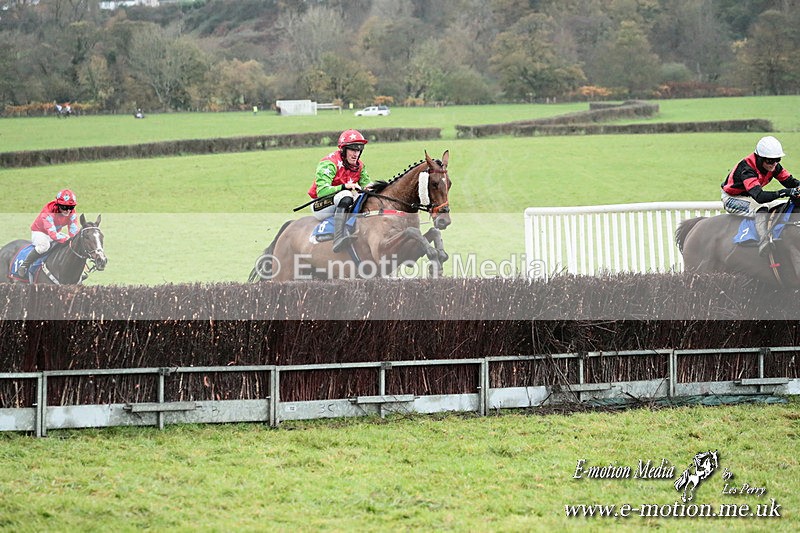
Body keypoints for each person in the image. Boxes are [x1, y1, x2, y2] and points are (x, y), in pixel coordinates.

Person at [721, 136, 800, 255]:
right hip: (732, 198)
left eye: (777, 159)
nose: (773, 164)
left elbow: (790, 182)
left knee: (781, 206)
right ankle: (764, 242)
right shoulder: (747, 169)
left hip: (750, 196)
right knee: (761, 208)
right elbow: (760, 197)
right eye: (769, 160)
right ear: (759, 158)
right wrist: (785, 192)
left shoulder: (774, 166)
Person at [307, 129, 371, 252]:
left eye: (358, 150)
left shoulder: (360, 166)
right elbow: (322, 191)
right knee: (346, 195)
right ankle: (338, 238)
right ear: (343, 150)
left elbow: (367, 185)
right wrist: (343, 186)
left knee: (364, 198)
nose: (356, 154)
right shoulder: (329, 163)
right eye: (352, 149)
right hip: (320, 204)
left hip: (340, 202)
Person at [17, 189, 80, 277]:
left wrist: (74, 241)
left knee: (72, 244)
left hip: (55, 232)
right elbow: (53, 235)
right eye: (64, 207)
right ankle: (24, 265)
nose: (67, 210)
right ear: (58, 204)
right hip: (40, 232)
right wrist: (67, 239)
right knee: (44, 246)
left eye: (70, 207)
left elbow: (73, 231)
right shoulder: (48, 211)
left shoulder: (72, 213)